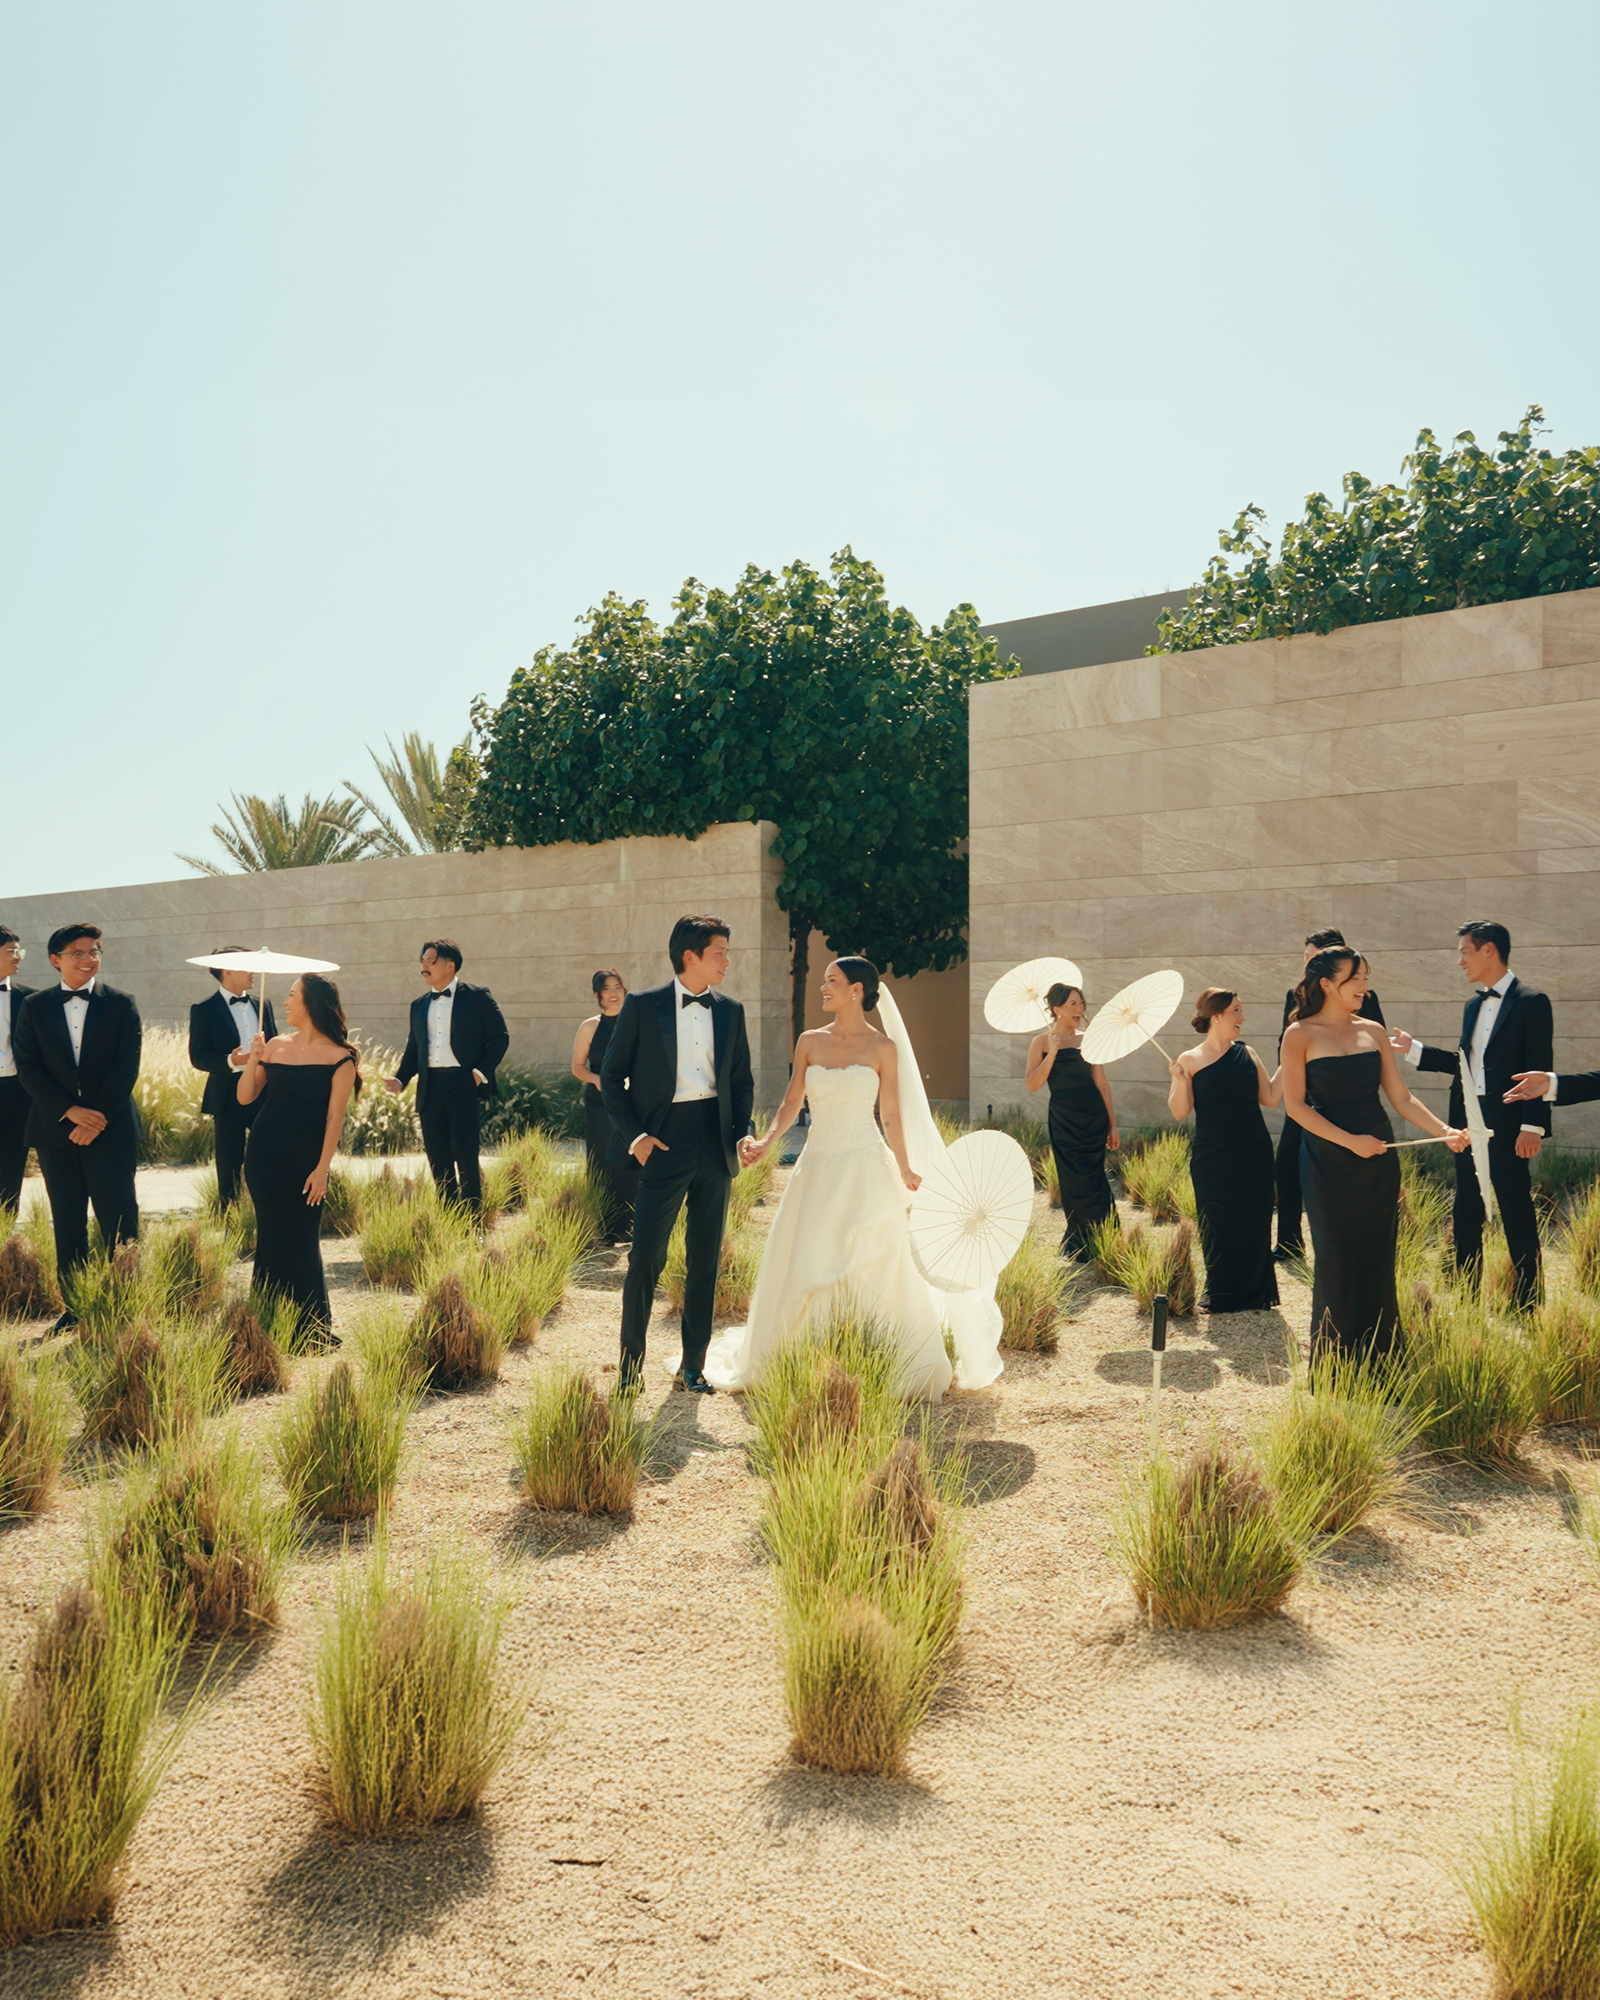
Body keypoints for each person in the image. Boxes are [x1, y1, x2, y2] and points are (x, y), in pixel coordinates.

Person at [704, 956, 953, 1401]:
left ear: (856, 990)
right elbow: (789, 1102)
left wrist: (905, 1167)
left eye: (831, 982)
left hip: (865, 1165)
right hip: (818, 1165)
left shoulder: (882, 1048)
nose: (823, 988)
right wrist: (765, 1142)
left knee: (871, 1255)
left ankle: (870, 1355)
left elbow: (891, 1114)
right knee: (811, 1252)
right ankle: (803, 1359)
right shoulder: (808, 1041)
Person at [1281, 946, 1466, 1359]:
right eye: (1356, 978)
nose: (1365, 986)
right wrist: (1350, 1141)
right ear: (1327, 984)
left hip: (1378, 1158)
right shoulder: (1299, 1035)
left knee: (1376, 1258)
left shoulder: (1374, 1030)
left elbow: (1401, 1097)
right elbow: (1295, 1107)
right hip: (1329, 1160)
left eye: (1366, 977)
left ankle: (1381, 1360)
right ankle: (1337, 1366)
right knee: (1335, 1258)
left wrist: (1445, 1130)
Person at [600, 916, 754, 1394]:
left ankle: (693, 1366)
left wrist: (742, 1134)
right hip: (663, 1142)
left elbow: (742, 1081)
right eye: (720, 952)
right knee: (646, 1255)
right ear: (691, 956)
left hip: (715, 1141)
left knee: (705, 1258)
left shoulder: (732, 1010)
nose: (728, 961)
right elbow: (611, 1078)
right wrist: (637, 1137)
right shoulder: (643, 1007)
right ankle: (630, 1368)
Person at [1390, 920, 1552, 1312]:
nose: (1460, 960)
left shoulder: (1533, 1001)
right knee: (1465, 1211)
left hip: (1510, 1127)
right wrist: (1416, 1050)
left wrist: (1532, 1126)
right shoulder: (1473, 1005)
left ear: (1489, 950)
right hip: (1467, 1123)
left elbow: (1540, 1066)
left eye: (1465, 951)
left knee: (1516, 1211)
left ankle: (1528, 1303)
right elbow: (1467, 1064)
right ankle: (1465, 1295)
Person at [12, 923, 142, 1327]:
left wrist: (96, 1117)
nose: (89, 959)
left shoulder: (122, 1003)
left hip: (112, 1128)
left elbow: (127, 1066)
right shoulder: (34, 1006)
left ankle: (125, 1304)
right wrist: (70, 1113)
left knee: (119, 1219)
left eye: (95, 952)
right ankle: (76, 1308)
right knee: (67, 1221)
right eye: (78, 953)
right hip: (56, 1131)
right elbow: (28, 1068)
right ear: (56, 960)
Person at [239, 972, 360, 1339]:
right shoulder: (274, 1045)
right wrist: (253, 1058)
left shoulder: (342, 1058)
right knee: (270, 1237)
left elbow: (334, 1117)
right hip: (263, 1155)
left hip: (307, 1160)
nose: (286, 1002)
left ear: (309, 1003)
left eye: (292, 995)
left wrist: (323, 1168)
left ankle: (310, 1328)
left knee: (303, 1240)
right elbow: (245, 1097)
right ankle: (267, 1322)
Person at [1166, 989, 1281, 1314]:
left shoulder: (1248, 1052)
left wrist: (1291, 1059)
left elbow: (1270, 1097)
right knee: (1217, 1222)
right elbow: (1179, 1111)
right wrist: (1178, 1081)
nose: (1242, 1017)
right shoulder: (1189, 1059)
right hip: (1213, 1155)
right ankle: (1223, 1294)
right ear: (1216, 1016)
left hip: (1254, 1151)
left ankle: (1257, 1292)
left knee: (1255, 1220)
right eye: (1236, 1011)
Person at [1274, 928, 1386, 1264]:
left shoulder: (1366, 1000)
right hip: (1307, 1097)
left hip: (1347, 1099)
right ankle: (1290, 1241)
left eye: (1310, 956)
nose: (1305, 963)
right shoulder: (1294, 999)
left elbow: (1374, 1049)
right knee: (1286, 1163)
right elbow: (1287, 1045)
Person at [385, 939, 509, 1218]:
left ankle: (473, 1223)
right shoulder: (418, 1005)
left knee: (466, 1157)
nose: (424, 967)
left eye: (431, 961)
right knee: (438, 1159)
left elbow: (500, 1038)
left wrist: (478, 1075)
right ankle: (449, 1220)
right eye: (422, 961)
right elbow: (414, 1049)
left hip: (463, 1084)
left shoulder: (477, 996)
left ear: (450, 965)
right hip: (430, 1087)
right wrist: (400, 1079)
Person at [1024, 982, 1117, 1259]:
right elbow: (1031, 1084)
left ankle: (1106, 1235)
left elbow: (1101, 1083)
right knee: (1071, 1180)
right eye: (1073, 1004)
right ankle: (1078, 1239)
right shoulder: (1040, 1042)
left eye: (1081, 1002)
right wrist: (1052, 1052)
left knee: (1095, 1177)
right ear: (1057, 1009)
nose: (1080, 1008)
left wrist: (1112, 1124)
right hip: (1064, 1118)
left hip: (1093, 1117)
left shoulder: (1089, 1039)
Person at [188, 947, 277, 1211]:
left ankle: (267, 1210)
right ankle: (231, 1219)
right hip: (227, 1095)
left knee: (269, 1155)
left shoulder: (263, 1004)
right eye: (246, 966)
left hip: (263, 1091)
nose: (253, 972)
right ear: (227, 970)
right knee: (229, 1162)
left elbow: (274, 1043)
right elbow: (198, 1056)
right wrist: (231, 1060)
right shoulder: (203, 1009)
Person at [571, 968, 634, 1243]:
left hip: (632, 1102)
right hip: (599, 1103)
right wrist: (598, 1080)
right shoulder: (589, 1027)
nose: (613, 993)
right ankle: (606, 1228)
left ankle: (632, 1226)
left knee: (631, 1159)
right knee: (602, 1160)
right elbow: (577, 1066)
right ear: (598, 995)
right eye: (607, 989)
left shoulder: (636, 1023)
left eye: (617, 986)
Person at [0, 926, 38, 1215]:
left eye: (19, 950)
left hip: (16, 1094)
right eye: (12, 951)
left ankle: (4, 1239)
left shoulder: (31, 1000)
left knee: (11, 1168)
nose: (19, 957)